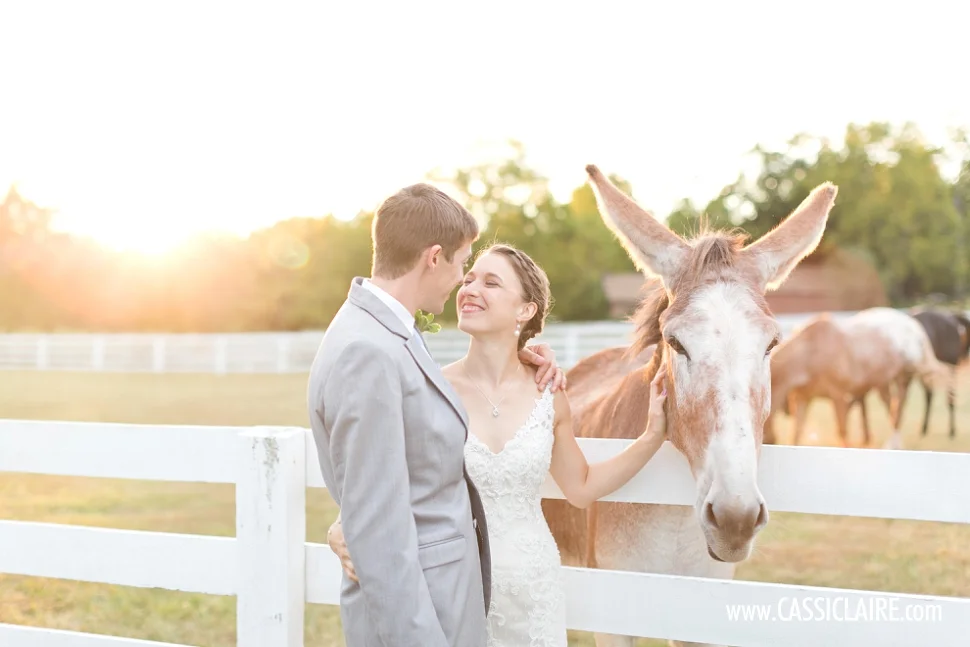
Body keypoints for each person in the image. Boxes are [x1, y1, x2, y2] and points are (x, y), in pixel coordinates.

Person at [326, 242, 669, 646]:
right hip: (455, 584)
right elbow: (383, 473)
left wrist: (651, 437)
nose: (470, 289)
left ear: (525, 310)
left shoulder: (549, 393)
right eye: (468, 279)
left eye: (491, 282)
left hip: (534, 588)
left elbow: (581, 487)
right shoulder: (429, 387)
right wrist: (340, 526)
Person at [306, 183, 566, 647]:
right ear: (433, 257)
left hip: (454, 603)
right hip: (425, 619)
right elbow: (379, 528)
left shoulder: (386, 334)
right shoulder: (368, 350)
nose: (461, 279)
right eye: (463, 264)